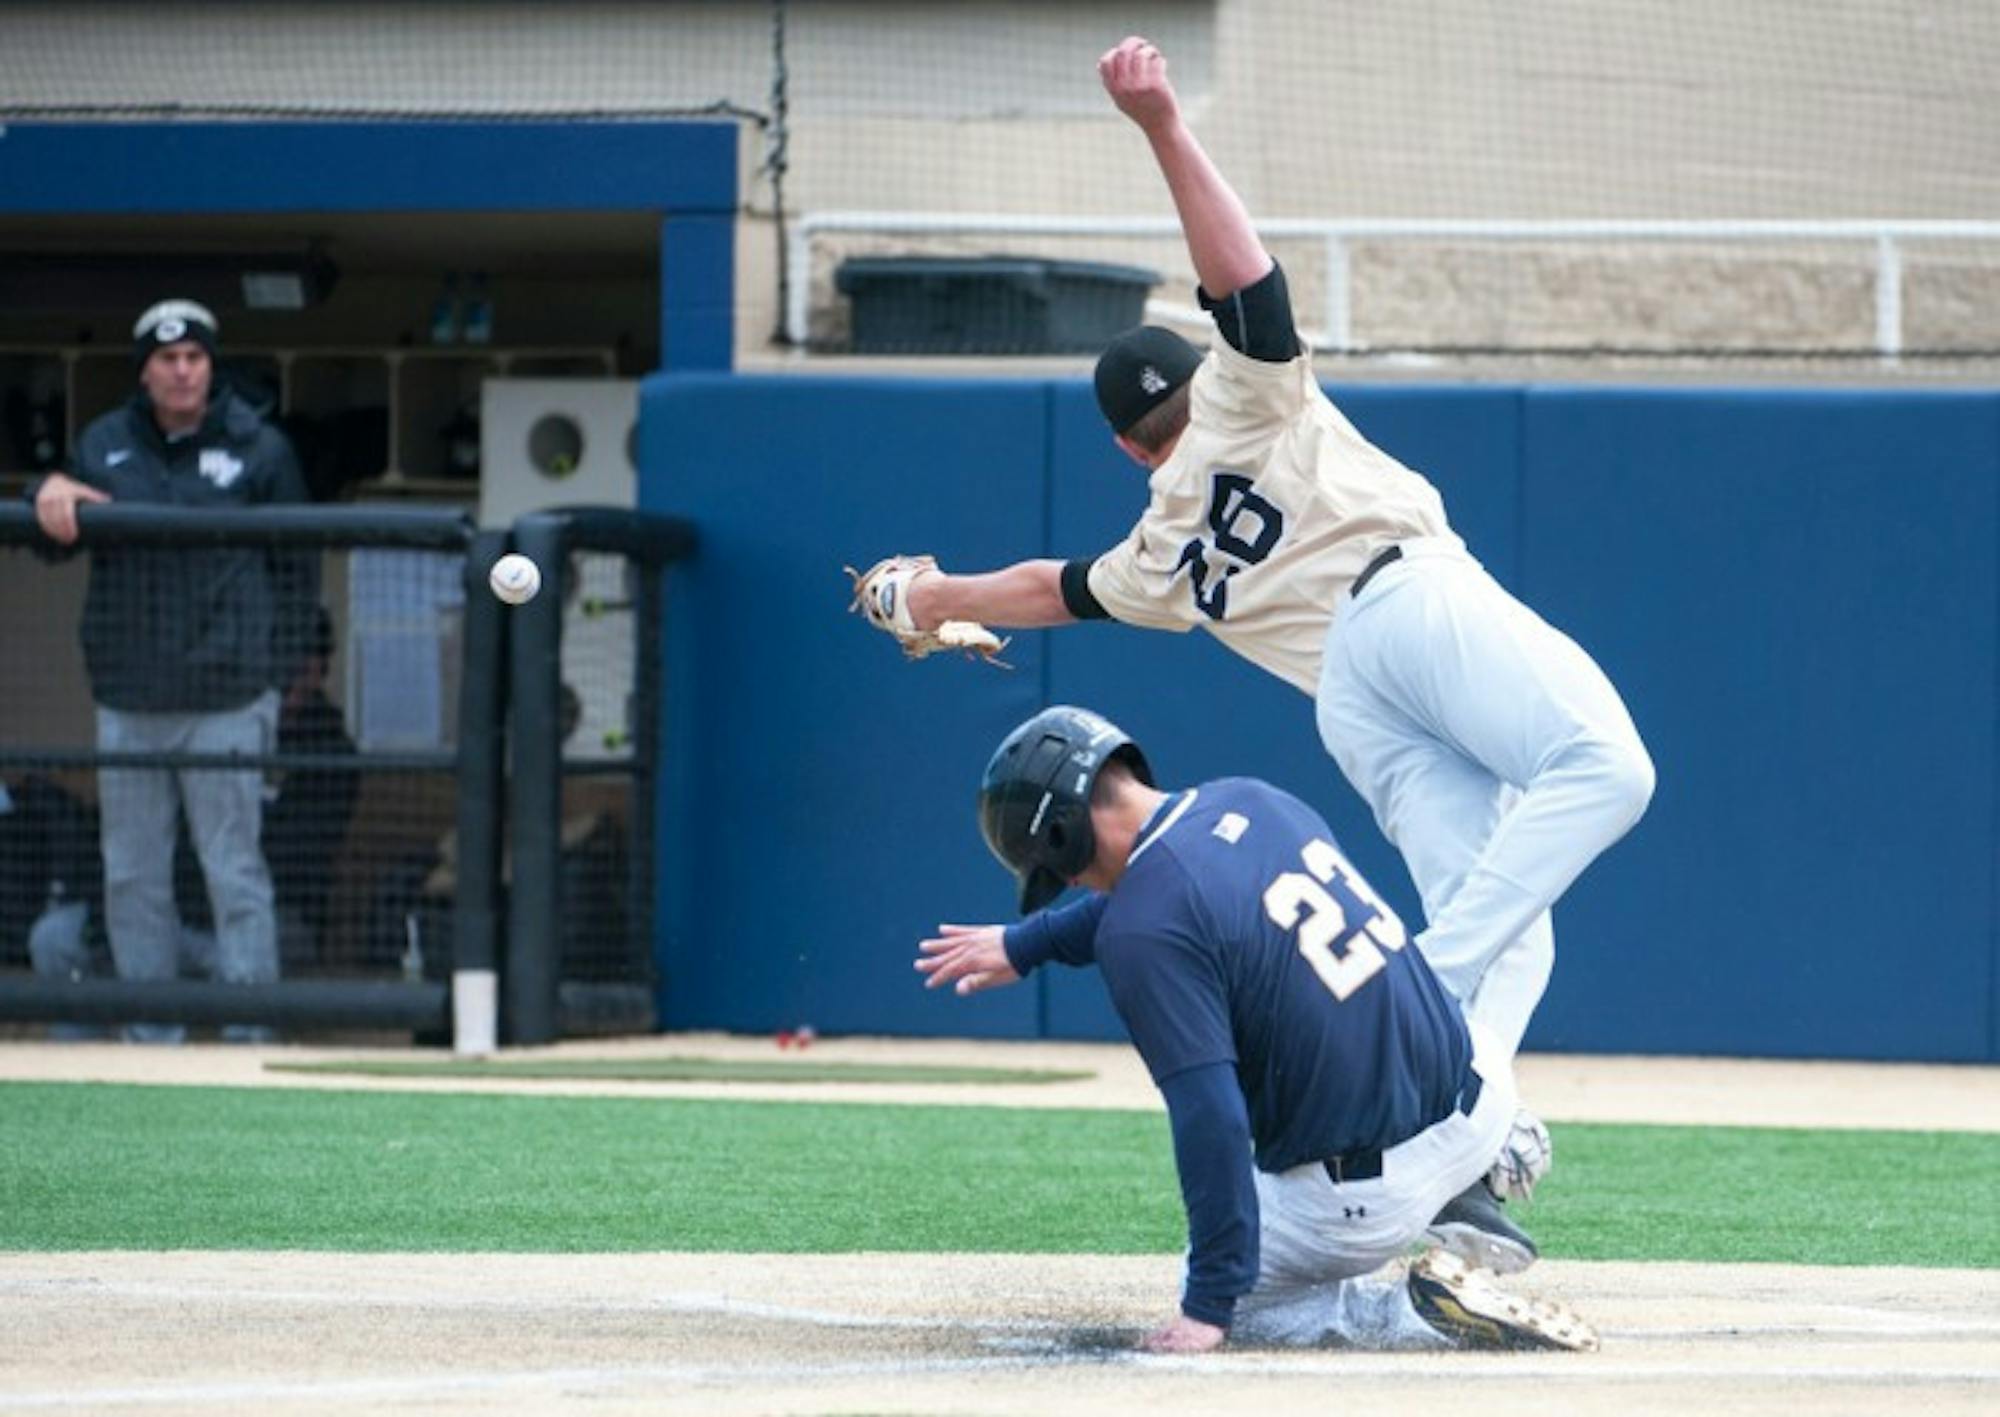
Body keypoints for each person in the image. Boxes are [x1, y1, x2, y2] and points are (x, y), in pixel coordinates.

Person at [855, 36, 1655, 1203]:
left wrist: (927, 598)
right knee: (1605, 769)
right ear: (1197, 378)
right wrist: (1162, 125)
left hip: (1351, 703)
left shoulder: (1152, 551)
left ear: (1130, 447)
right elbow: (1242, 278)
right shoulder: (1243, 388)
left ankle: (1463, 1143)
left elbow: (1049, 588)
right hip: (1407, 604)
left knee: (1511, 919)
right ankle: (1420, 992)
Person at [917, 705, 1598, 1354]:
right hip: (1479, 1092)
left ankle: (1408, 1316)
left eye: (1058, 869)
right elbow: (1172, 897)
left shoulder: (1143, 930)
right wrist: (1025, 943)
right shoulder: (1248, 799)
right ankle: (1471, 1183)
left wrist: (1210, 1303)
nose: (1069, 883)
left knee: (1247, 1296)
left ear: (1063, 835)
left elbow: (1210, 1115)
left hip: (1368, 1191)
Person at [28, 298, 316, 1042]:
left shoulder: (260, 448)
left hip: (226, 697)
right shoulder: (106, 444)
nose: (182, 370)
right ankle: (153, 1038)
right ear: (145, 370)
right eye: (167, 359)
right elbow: (54, 537)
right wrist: (47, 492)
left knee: (234, 869)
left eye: (195, 357)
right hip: (130, 695)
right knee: (131, 873)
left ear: (212, 366)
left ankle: (252, 1028)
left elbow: (300, 570)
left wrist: (272, 674)